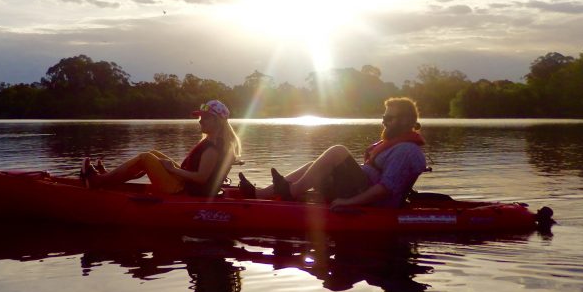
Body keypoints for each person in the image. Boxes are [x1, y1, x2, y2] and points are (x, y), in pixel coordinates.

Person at [238, 97, 427, 208]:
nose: (384, 121)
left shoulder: (407, 150)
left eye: (389, 117)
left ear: (405, 120)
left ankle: (291, 192)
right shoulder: (394, 143)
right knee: (313, 165)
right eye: (384, 116)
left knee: (338, 151)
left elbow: (385, 189)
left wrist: (349, 202)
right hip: (358, 187)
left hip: (372, 201)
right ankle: (260, 194)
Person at [81, 100, 241, 196]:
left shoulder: (212, 149)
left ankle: (100, 181)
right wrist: (171, 169)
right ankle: (109, 179)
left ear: (217, 121)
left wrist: (173, 169)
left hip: (184, 191)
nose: (200, 121)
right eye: (200, 117)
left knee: (146, 158)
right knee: (153, 154)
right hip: (185, 185)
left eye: (205, 118)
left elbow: (201, 178)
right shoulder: (214, 144)